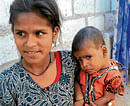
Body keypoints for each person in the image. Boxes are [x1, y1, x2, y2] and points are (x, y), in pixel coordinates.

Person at [0, 0, 80, 105]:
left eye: (39, 33)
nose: (29, 44)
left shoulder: (72, 62)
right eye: (21, 33)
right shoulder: (7, 82)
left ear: (54, 33)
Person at [72, 26, 125, 106]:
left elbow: (107, 98)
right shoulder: (85, 71)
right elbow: (76, 81)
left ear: (104, 51)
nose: (84, 64)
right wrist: (79, 99)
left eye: (88, 57)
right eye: (80, 60)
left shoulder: (112, 76)